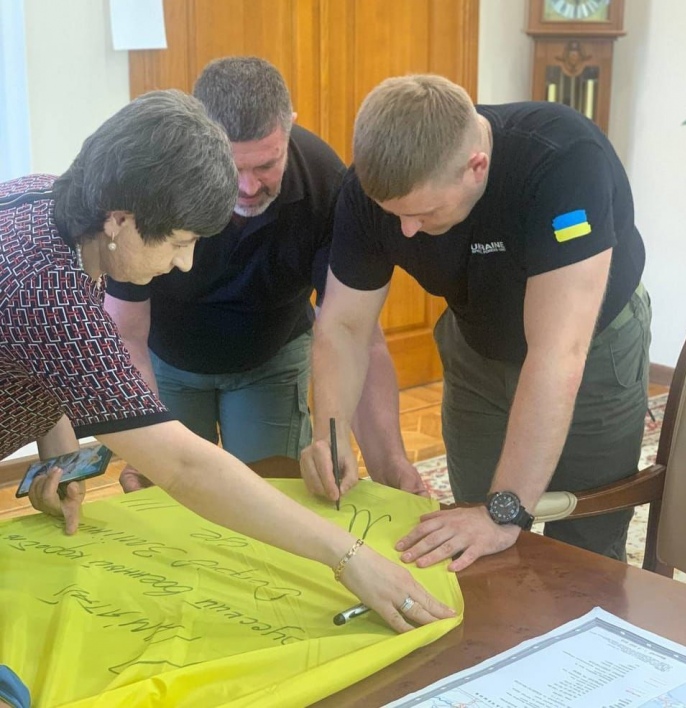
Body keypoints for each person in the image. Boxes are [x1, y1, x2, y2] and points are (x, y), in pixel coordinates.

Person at [0, 88, 454, 633]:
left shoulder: (49, 204)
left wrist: (59, 464)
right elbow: (185, 467)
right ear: (120, 220)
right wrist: (349, 557)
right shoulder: (48, 288)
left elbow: (45, 361)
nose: (185, 263)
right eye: (180, 241)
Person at [300, 74, 650, 570]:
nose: (406, 231)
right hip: (476, 339)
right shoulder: (367, 190)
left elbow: (557, 353)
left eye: (423, 213)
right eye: (393, 215)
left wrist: (505, 511)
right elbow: (344, 327)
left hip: (593, 346)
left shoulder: (563, 159)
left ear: (476, 167)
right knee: (468, 533)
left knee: (585, 546)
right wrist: (330, 434)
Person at [104, 57, 423, 496]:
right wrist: (144, 438)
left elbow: (358, 334)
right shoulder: (149, 182)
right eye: (232, 168)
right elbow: (124, 332)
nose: (249, 187)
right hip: (166, 362)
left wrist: (390, 464)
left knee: (273, 495)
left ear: (289, 126)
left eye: (266, 166)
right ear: (199, 137)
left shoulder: (325, 183)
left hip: (271, 359)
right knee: (175, 498)